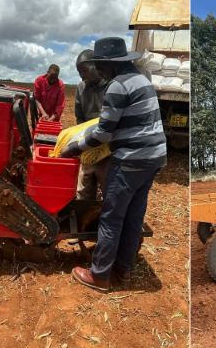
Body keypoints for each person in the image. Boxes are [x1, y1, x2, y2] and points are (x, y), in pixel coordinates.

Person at [61, 37, 167, 292]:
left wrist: (73, 148)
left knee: (111, 217)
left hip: (132, 159)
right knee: (134, 215)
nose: (99, 70)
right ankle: (123, 268)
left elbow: (103, 134)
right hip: (154, 157)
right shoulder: (142, 78)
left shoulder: (118, 86)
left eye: (100, 65)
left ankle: (99, 276)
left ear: (109, 65)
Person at [74, 49, 110, 201]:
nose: (82, 75)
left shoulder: (111, 86)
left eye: (85, 70)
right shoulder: (81, 88)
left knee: (109, 190)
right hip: (88, 147)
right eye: (79, 72)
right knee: (83, 193)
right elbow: (80, 118)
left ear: (96, 66)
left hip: (108, 149)